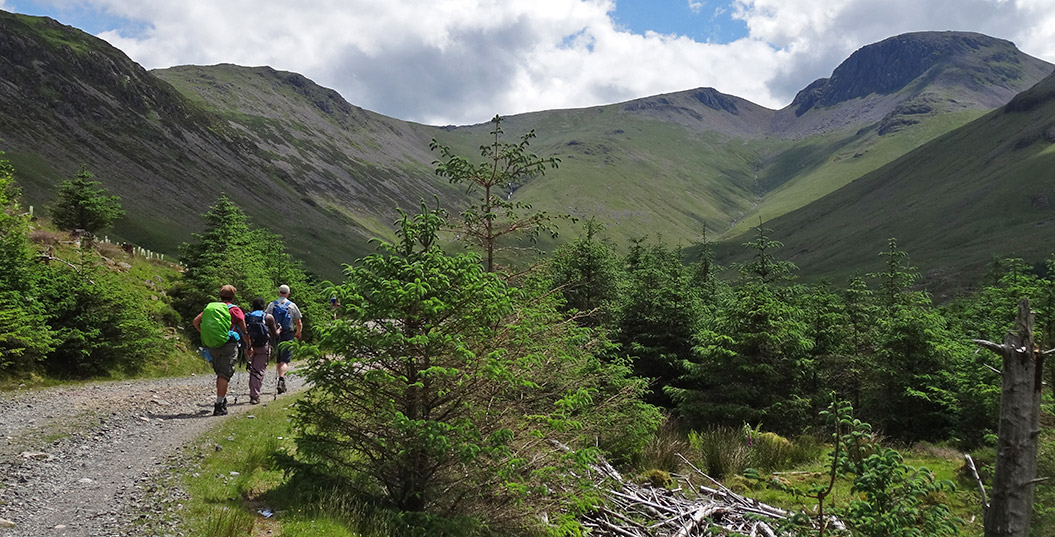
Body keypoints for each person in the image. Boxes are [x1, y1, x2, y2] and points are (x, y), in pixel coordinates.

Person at [193, 285, 251, 416]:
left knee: (220, 373)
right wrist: (248, 345)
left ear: (220, 295)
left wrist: (205, 333)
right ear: (233, 296)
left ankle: (221, 398)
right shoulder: (235, 310)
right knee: (224, 375)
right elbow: (244, 331)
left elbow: (196, 322)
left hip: (212, 345)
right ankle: (219, 405)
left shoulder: (211, 308)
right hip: (228, 345)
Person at [265, 284, 303, 394]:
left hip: (275, 334)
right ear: (288, 294)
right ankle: (281, 379)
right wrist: (298, 332)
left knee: (279, 358)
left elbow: (266, 318)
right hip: (288, 334)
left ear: (278, 293)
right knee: (285, 359)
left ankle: (281, 380)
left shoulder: (272, 305)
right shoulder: (292, 305)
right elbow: (298, 322)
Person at [245, 298, 279, 404]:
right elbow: (275, 334)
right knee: (258, 370)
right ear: (264, 306)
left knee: (252, 370)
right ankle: (254, 396)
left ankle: (253, 391)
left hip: (249, 346)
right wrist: (279, 329)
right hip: (263, 346)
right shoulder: (268, 317)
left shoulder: (248, 316)